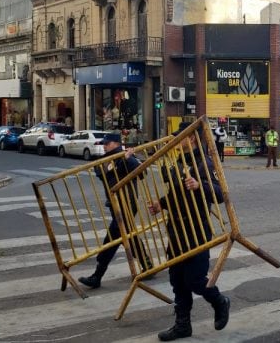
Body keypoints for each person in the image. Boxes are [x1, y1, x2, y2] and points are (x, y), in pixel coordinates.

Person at [148, 122, 230, 341]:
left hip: (196, 229)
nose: (175, 141)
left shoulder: (205, 162)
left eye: (179, 137)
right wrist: (161, 204)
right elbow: (176, 193)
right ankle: (182, 325)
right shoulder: (179, 162)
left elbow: (220, 193)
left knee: (195, 279)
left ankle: (219, 301)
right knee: (177, 280)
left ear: (192, 138)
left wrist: (199, 185)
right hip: (177, 229)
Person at [78, 133, 152, 289]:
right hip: (114, 204)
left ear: (117, 143)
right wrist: (120, 162)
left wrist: (128, 159)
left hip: (127, 204)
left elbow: (142, 172)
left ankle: (98, 275)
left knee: (112, 239)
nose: (104, 146)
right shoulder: (105, 160)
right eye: (104, 143)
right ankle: (148, 265)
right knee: (129, 235)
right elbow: (103, 174)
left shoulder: (127, 157)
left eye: (107, 143)